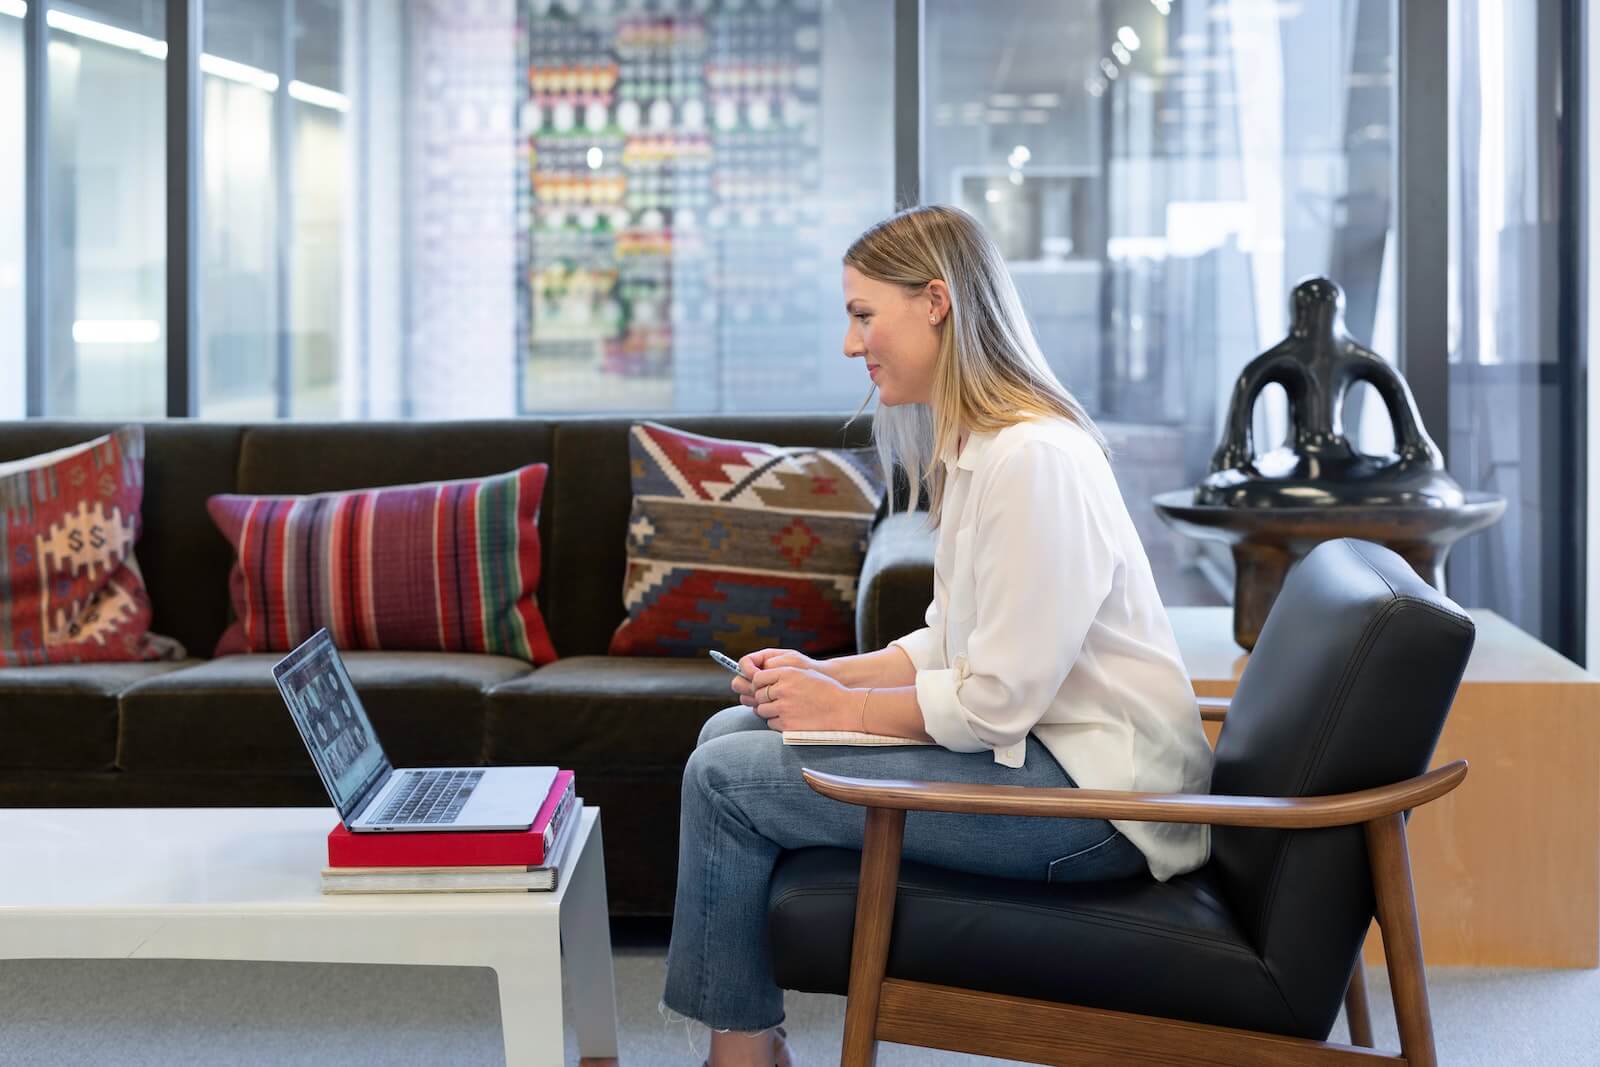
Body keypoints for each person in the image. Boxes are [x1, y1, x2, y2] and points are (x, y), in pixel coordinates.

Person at [660, 205, 1214, 1067]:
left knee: (727, 777)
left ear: (935, 303)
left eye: (862, 314)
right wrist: (819, 673)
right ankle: (749, 1045)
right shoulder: (983, 449)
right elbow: (946, 640)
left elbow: (995, 701)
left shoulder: (1033, 459)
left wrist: (841, 704)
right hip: (1049, 761)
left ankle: (741, 1057)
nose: (851, 345)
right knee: (729, 732)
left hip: (1104, 805)